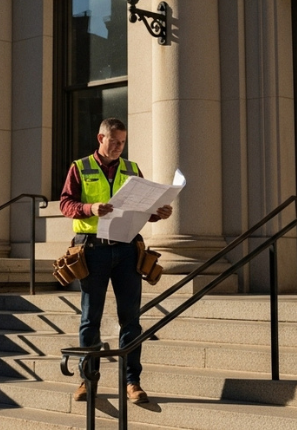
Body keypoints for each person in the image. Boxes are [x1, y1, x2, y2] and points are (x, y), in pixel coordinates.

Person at [59, 117, 172, 404]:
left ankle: (132, 382)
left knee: (131, 320)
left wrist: (159, 212)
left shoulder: (132, 170)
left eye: (122, 142)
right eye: (114, 142)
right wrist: (90, 207)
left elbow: (144, 207)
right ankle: (87, 381)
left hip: (126, 251)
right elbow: (65, 203)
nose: (119, 147)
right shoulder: (80, 167)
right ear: (101, 139)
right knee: (90, 319)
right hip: (92, 251)